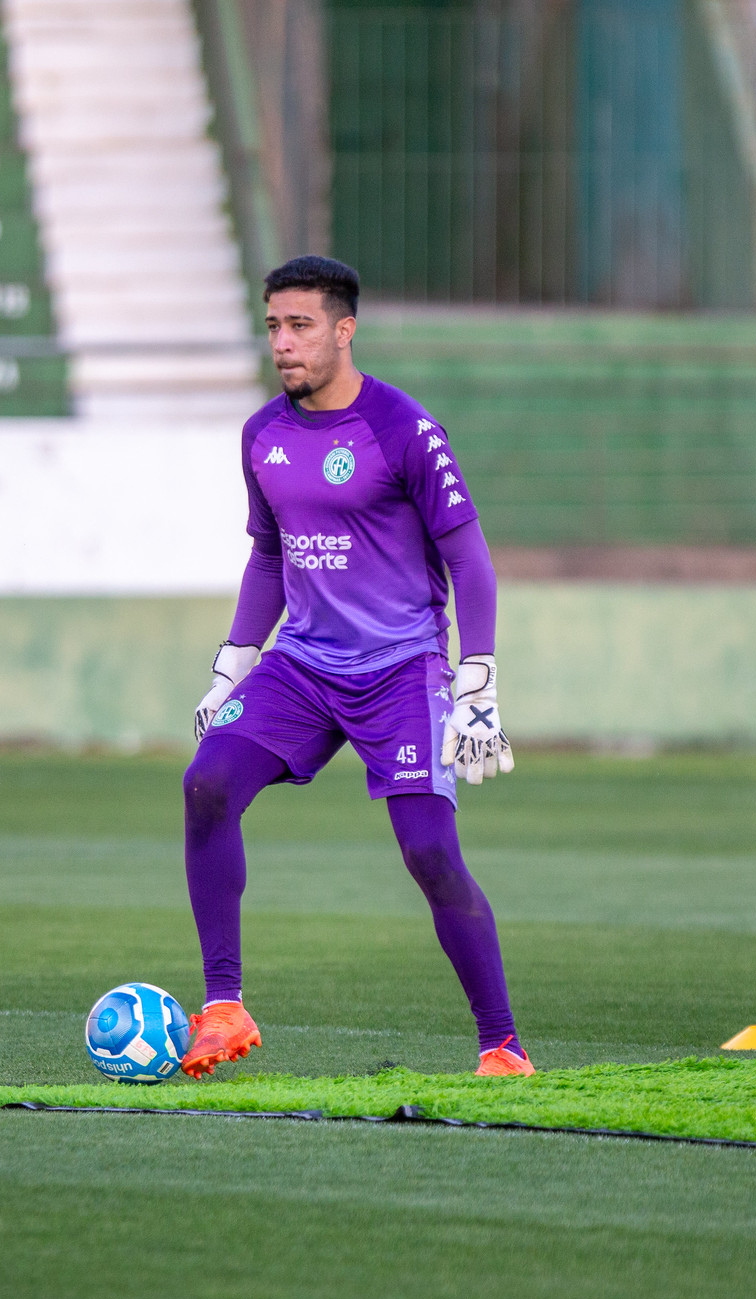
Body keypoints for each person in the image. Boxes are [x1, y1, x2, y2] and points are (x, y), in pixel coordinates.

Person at [178, 254, 530, 1081]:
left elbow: (470, 561)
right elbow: (270, 558)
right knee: (205, 783)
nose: (283, 344)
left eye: (300, 326)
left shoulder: (405, 430)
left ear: (345, 329)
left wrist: (474, 677)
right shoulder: (260, 435)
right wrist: (235, 662)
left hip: (403, 669)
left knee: (429, 853)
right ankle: (224, 1006)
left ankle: (502, 1045)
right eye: (273, 325)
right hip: (300, 666)